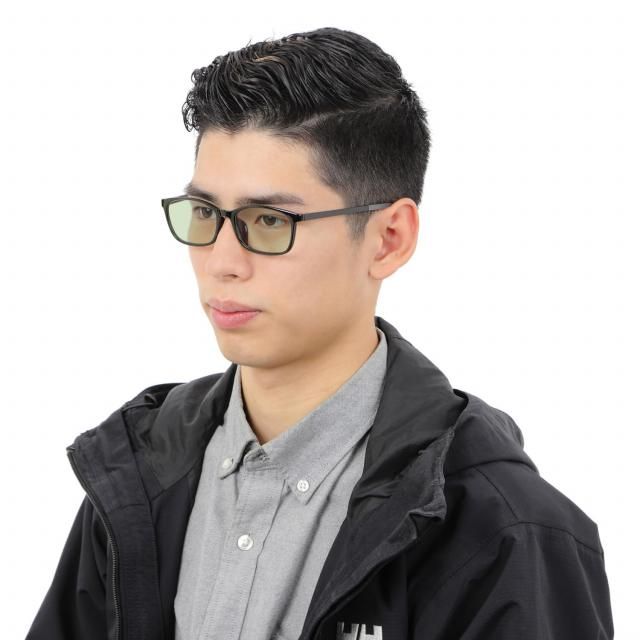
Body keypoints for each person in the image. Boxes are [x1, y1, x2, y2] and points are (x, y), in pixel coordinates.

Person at [26, 26, 614, 640]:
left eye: (268, 220)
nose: (222, 260)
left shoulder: (503, 530)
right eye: (204, 213)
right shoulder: (136, 474)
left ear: (389, 239)